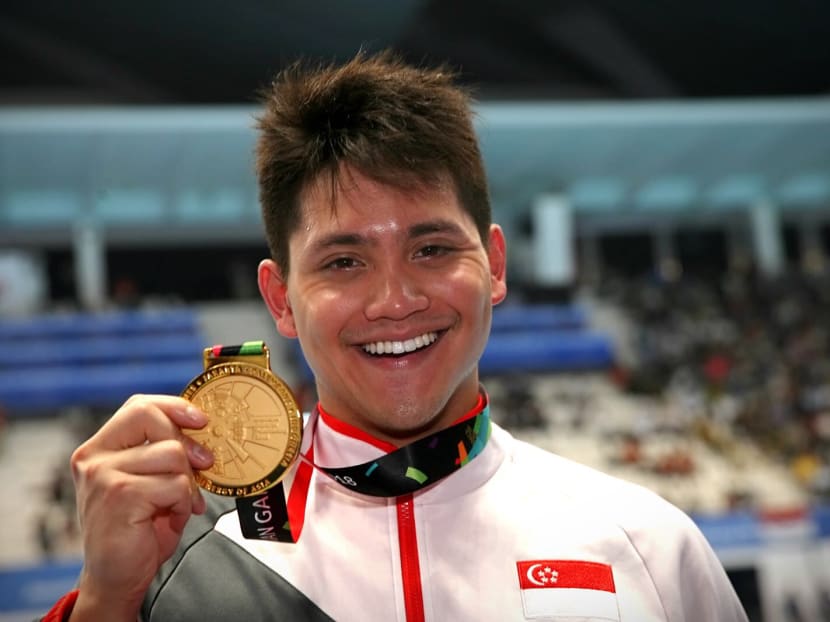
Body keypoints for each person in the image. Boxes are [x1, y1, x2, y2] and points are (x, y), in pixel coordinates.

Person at [42, 50, 748, 622]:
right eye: (344, 262)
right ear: (280, 299)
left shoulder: (649, 547)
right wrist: (105, 605)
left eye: (433, 249)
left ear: (495, 266)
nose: (396, 300)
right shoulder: (178, 561)